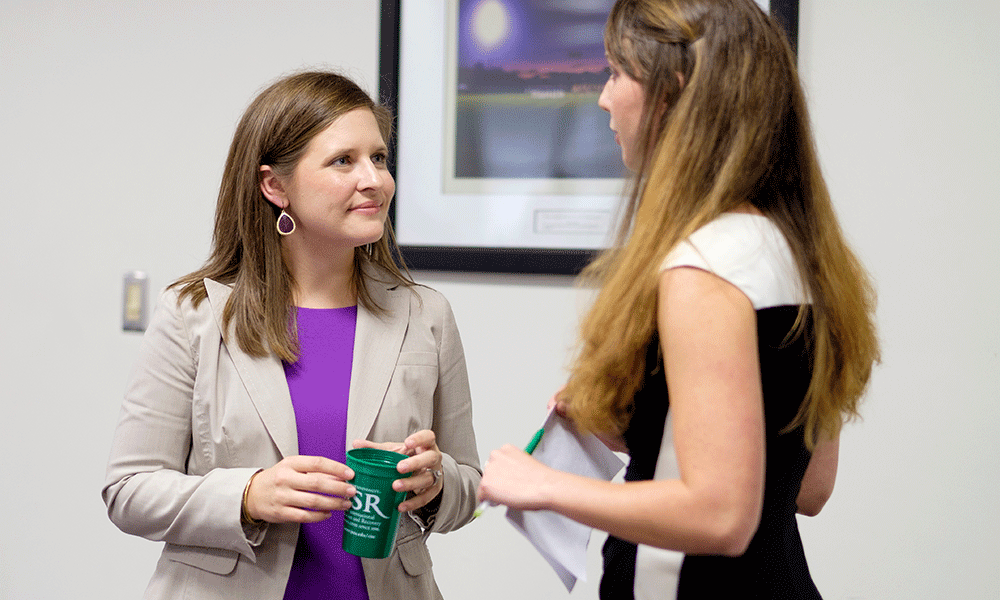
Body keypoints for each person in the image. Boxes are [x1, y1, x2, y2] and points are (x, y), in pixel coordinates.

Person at [476, 1, 879, 598]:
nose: (604, 99)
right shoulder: (802, 257)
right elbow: (805, 487)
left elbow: (721, 515)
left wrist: (540, 484)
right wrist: (645, 427)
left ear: (675, 91)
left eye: (616, 74)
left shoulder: (705, 267)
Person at [103, 70, 481, 600]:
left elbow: (469, 484)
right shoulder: (194, 315)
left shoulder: (427, 314)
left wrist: (437, 484)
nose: (374, 179)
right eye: (342, 161)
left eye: (378, 158)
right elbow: (129, 490)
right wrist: (249, 494)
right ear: (274, 186)